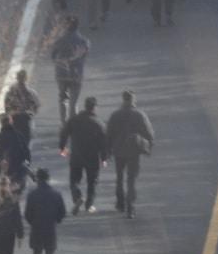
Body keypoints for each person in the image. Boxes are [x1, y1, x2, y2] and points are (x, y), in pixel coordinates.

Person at [106, 90, 154, 218]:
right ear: (133, 100)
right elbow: (149, 133)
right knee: (131, 179)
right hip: (133, 151)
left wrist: (107, 151)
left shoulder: (115, 115)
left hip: (118, 151)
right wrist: (149, 147)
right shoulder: (139, 115)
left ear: (123, 99)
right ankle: (130, 207)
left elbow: (108, 134)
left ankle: (120, 203)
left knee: (119, 177)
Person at [59, 96, 108, 213]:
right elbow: (104, 143)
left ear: (85, 106)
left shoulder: (74, 120)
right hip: (92, 158)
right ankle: (89, 205)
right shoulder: (99, 124)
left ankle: (77, 197)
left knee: (74, 181)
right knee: (92, 182)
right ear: (94, 108)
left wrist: (62, 148)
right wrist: (104, 158)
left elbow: (64, 133)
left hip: (77, 156)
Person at [24, 168, 67, 254]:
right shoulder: (56, 194)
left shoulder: (32, 195)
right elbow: (62, 212)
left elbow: (27, 214)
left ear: (37, 179)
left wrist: (32, 222)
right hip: (50, 228)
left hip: (37, 227)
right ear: (48, 178)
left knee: (36, 253)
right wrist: (56, 220)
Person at [50, 15, 90, 124]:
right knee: (74, 102)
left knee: (62, 98)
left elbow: (53, 56)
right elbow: (85, 56)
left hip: (62, 73)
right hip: (76, 74)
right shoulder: (83, 41)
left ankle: (64, 123)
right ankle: (74, 124)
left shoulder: (59, 40)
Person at [0, 112, 31, 186]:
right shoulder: (19, 136)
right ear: (11, 122)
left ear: (0, 123)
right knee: (17, 192)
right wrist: (26, 167)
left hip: (3, 170)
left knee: (1, 191)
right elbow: (27, 153)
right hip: (18, 170)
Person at [3, 69, 41, 145]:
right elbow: (36, 106)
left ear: (17, 78)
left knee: (14, 143)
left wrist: (13, 113)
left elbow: (7, 107)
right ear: (26, 78)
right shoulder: (31, 92)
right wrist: (29, 113)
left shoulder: (10, 92)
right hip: (26, 120)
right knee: (26, 143)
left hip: (14, 120)